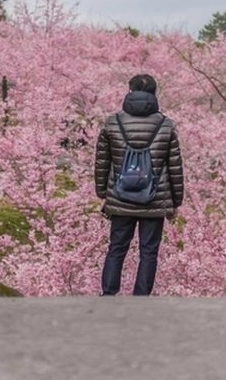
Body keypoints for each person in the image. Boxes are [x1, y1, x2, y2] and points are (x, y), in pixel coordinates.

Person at [94, 73, 184, 296]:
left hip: (120, 196)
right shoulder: (166, 125)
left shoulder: (112, 123)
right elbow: (175, 166)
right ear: (154, 93)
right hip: (155, 198)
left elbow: (102, 162)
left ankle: (108, 294)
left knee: (116, 248)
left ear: (130, 91)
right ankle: (141, 298)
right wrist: (176, 201)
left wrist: (102, 194)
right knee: (149, 252)